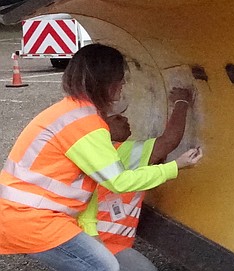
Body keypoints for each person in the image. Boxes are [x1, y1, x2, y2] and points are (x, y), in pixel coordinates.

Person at [0, 44, 203, 271]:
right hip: (35, 220)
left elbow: (88, 199)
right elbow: (119, 182)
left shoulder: (71, 113)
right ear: (105, 82)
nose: (123, 85)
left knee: (102, 264)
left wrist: (93, 237)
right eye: (120, 79)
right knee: (104, 266)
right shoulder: (86, 125)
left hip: (31, 217)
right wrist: (176, 166)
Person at [78, 87, 195, 271]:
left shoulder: (95, 152)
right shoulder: (121, 151)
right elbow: (169, 141)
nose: (125, 119)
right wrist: (182, 102)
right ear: (103, 127)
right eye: (117, 118)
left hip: (88, 242)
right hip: (105, 244)